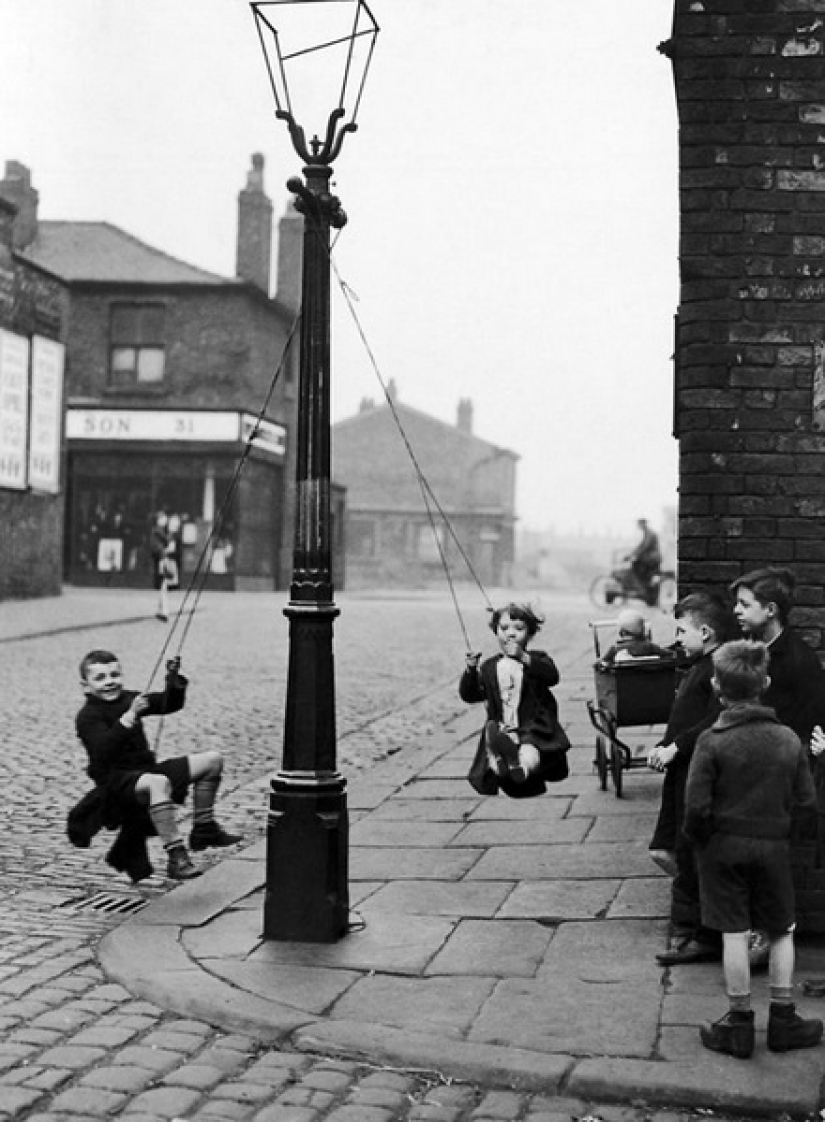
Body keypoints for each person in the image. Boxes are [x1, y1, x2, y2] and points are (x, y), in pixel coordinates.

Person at [684, 639, 821, 1058]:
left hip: (723, 848)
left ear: (715, 685)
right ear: (765, 681)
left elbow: (695, 807)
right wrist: (786, 839)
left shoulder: (711, 741)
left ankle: (738, 1025)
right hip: (773, 846)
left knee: (733, 932)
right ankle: (783, 1019)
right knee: (781, 929)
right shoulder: (787, 741)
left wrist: (702, 843)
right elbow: (806, 802)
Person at [73, 649, 241, 881]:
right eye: (100, 678)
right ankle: (176, 856)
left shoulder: (129, 698)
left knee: (212, 761)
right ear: (85, 686)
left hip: (145, 773)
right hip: (115, 785)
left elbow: (167, 704)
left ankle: (204, 828)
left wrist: (172, 681)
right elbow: (103, 750)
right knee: (159, 782)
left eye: (114, 675)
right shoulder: (87, 716)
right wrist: (130, 716)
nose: (110, 682)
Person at [730, 566, 825, 967]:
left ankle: (767, 935)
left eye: (744, 604)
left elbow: (802, 730)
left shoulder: (797, 662)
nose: (736, 610)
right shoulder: (751, 649)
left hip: (779, 779)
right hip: (753, 771)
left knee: (770, 860)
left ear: (770, 610)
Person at [648, 591, 738, 963]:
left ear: (705, 632)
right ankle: (695, 922)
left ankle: (698, 933)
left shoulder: (718, 667)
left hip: (694, 773)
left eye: (682, 631)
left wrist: (676, 747)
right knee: (666, 849)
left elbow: (714, 721)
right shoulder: (701, 664)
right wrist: (665, 745)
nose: (678, 638)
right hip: (679, 772)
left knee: (687, 852)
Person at [461, 602, 570, 799]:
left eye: (518, 629)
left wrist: (523, 658)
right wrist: (470, 670)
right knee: (493, 748)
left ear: (529, 634)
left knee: (530, 751)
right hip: (504, 727)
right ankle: (502, 765)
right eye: (504, 628)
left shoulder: (537, 658)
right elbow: (471, 695)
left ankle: (520, 768)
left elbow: (551, 676)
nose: (510, 634)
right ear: (495, 632)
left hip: (532, 726)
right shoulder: (489, 666)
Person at [596, 607, 670, 668]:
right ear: (642, 630)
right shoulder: (650, 647)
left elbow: (602, 663)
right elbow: (669, 654)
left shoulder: (615, 649)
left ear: (622, 632)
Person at [625, 518, 662, 602]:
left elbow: (644, 547)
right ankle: (644, 589)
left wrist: (632, 555)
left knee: (636, 565)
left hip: (652, 559)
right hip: (650, 558)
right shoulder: (647, 534)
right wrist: (630, 555)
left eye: (640, 524)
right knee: (637, 566)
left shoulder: (650, 534)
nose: (639, 526)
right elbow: (640, 546)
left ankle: (643, 589)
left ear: (644, 524)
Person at [148, 511, 172, 622]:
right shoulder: (158, 531)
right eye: (164, 519)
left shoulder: (156, 531)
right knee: (163, 584)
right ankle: (164, 611)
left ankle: (160, 610)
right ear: (159, 520)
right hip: (161, 558)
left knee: (162, 584)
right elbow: (167, 541)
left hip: (160, 558)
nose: (165, 521)